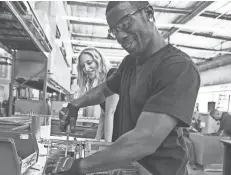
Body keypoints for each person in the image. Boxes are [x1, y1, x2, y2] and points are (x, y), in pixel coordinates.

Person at [46, 1, 200, 175]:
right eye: (114, 31)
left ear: (149, 14)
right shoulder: (130, 63)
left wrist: (79, 166)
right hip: (132, 166)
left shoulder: (177, 67)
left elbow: (144, 140)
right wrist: (74, 105)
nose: (120, 36)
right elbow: (104, 90)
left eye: (125, 24)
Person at [75, 47, 119, 142]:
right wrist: (97, 139)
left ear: (98, 60)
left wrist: (107, 145)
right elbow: (103, 114)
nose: (86, 68)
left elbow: (110, 112)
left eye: (89, 63)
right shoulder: (101, 83)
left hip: (122, 136)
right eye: (83, 66)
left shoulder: (112, 75)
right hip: (115, 138)